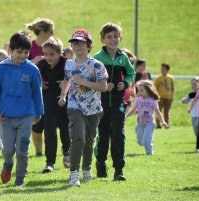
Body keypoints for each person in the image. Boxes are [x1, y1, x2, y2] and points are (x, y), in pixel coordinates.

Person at [0, 31, 43, 187]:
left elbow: (37, 93)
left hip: (26, 116)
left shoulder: (32, 70)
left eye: (26, 52)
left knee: (22, 151)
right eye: (19, 52)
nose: (23, 55)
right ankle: (7, 165)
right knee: (8, 152)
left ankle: (20, 180)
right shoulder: (1, 68)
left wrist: (39, 113)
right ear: (11, 49)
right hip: (6, 117)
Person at [58, 28, 108, 187]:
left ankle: (86, 169)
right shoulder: (69, 64)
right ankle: (74, 173)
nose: (77, 46)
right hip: (74, 107)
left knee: (89, 140)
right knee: (78, 137)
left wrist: (82, 82)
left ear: (89, 46)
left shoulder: (97, 65)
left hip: (93, 108)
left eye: (81, 43)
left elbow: (103, 87)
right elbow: (67, 80)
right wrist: (63, 95)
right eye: (74, 43)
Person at [93, 22, 135, 181]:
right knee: (103, 135)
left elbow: (131, 74)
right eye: (109, 37)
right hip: (101, 104)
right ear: (102, 40)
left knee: (118, 133)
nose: (113, 39)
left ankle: (119, 170)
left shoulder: (123, 58)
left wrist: (124, 84)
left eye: (116, 36)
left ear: (121, 38)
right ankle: (101, 163)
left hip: (118, 104)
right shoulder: (97, 58)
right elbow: (90, 77)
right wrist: (102, 86)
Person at [37, 37, 71, 173]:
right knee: (49, 130)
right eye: (45, 54)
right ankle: (49, 163)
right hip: (48, 101)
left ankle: (67, 151)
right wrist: (40, 84)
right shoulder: (42, 65)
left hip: (64, 101)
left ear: (60, 53)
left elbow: (75, 78)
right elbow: (34, 77)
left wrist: (66, 84)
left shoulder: (67, 64)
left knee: (65, 129)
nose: (48, 57)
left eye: (52, 54)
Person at [26, 18, 55, 156]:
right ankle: (38, 152)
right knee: (36, 124)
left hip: (53, 88)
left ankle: (56, 150)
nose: (53, 33)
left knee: (53, 122)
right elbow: (20, 64)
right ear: (43, 32)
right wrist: (33, 61)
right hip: (34, 89)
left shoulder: (54, 45)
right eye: (51, 31)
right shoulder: (30, 46)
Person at [126, 80, 168, 154]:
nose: (139, 92)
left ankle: (149, 153)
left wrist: (163, 122)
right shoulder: (138, 100)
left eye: (142, 90)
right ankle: (148, 140)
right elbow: (133, 110)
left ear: (148, 90)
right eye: (139, 90)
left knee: (146, 140)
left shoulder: (153, 101)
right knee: (140, 142)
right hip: (140, 124)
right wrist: (125, 116)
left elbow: (158, 113)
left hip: (149, 123)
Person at [181, 77, 199, 141]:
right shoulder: (190, 95)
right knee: (195, 129)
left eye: (195, 84)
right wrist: (183, 100)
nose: (193, 85)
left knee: (197, 125)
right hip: (194, 114)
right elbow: (186, 101)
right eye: (192, 84)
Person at [154, 63, 174, 128]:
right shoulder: (158, 78)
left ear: (167, 70)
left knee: (166, 112)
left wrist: (172, 97)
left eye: (164, 69)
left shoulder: (170, 78)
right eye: (161, 68)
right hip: (160, 97)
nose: (162, 70)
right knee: (158, 111)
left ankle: (166, 124)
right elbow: (155, 87)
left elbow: (172, 88)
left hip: (168, 97)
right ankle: (158, 124)